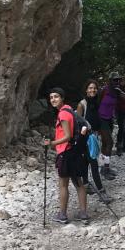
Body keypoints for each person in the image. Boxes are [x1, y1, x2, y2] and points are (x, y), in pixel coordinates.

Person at [43, 87, 89, 224]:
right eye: (51, 97)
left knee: (63, 184)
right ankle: (83, 213)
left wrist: (51, 143)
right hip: (75, 151)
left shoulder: (62, 114)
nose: (53, 100)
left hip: (65, 152)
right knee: (78, 182)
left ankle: (62, 215)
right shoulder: (69, 109)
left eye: (56, 97)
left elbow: (68, 136)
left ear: (62, 98)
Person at [77, 80, 113, 204]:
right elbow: (78, 122)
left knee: (87, 162)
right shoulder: (82, 104)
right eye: (90, 88)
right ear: (86, 90)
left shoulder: (97, 103)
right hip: (86, 138)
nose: (92, 90)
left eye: (94, 88)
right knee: (93, 163)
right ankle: (101, 192)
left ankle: (86, 184)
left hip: (94, 136)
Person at [98, 71, 124, 179]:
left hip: (109, 119)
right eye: (115, 80)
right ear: (110, 81)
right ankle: (106, 168)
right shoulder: (104, 90)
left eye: (118, 80)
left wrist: (121, 91)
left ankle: (104, 166)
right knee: (109, 142)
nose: (117, 82)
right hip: (101, 119)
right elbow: (96, 103)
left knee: (105, 143)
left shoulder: (116, 92)